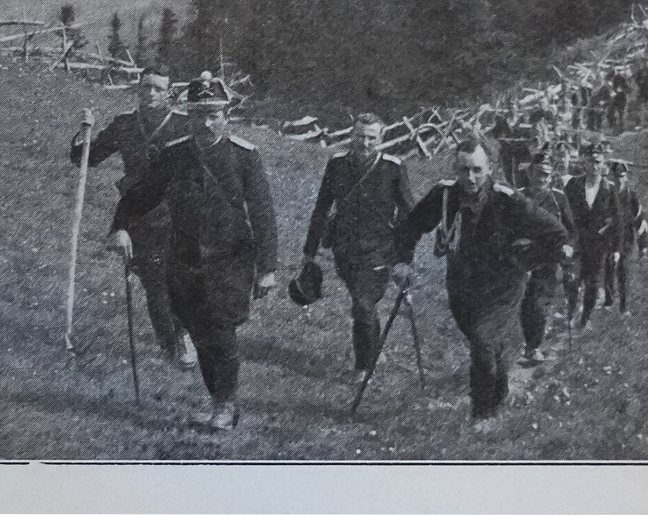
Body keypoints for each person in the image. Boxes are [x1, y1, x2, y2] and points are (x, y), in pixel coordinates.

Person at [111, 73, 279, 431]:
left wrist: (267, 269)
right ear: (188, 115)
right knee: (199, 332)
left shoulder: (244, 156)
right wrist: (120, 226)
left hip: (230, 258)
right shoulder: (175, 155)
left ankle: (225, 405)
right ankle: (218, 401)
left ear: (226, 115)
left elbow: (262, 212)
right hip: (184, 258)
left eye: (213, 114)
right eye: (198, 114)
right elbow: (141, 196)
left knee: (220, 330)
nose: (205, 122)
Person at [392, 140, 568, 427]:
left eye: (477, 170)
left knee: (482, 342)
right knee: (486, 343)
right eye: (464, 170)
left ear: (490, 169)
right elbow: (411, 226)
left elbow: (556, 232)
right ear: (455, 168)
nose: (470, 178)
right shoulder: (445, 194)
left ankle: (482, 413)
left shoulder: (507, 199)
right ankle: (500, 391)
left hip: (503, 287)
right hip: (461, 287)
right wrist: (403, 261)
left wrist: (524, 259)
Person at [68, 72, 195, 367]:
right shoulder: (125, 124)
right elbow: (85, 158)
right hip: (139, 214)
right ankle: (169, 344)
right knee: (154, 284)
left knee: (176, 279)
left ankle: (182, 334)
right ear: (138, 90)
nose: (151, 93)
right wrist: (84, 132)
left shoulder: (182, 124)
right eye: (146, 87)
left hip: (175, 212)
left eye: (158, 88)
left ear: (169, 92)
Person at [302, 112, 416, 376]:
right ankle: (373, 347)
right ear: (351, 136)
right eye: (359, 137)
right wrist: (309, 250)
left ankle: (363, 367)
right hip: (345, 250)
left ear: (381, 139)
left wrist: (404, 256)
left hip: (380, 251)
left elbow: (409, 213)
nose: (364, 143)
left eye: (371, 138)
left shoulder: (393, 167)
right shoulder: (337, 164)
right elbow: (321, 207)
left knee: (363, 304)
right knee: (361, 302)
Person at [518, 160, 577, 364]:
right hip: (522, 259)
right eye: (538, 174)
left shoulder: (558, 198)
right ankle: (526, 344)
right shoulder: (519, 196)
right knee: (524, 305)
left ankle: (533, 347)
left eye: (546, 175)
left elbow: (571, 230)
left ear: (551, 177)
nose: (541, 179)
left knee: (539, 305)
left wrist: (568, 246)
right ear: (530, 174)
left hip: (549, 259)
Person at [564, 144, 622, 327]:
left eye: (597, 162)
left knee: (592, 283)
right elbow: (564, 212)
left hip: (598, 244)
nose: (594, 166)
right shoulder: (573, 184)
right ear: (584, 163)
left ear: (603, 163)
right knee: (572, 279)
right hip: (576, 241)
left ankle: (586, 317)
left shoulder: (609, 188)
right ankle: (572, 310)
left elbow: (617, 220)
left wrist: (616, 249)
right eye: (590, 161)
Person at [609, 159, 648, 315]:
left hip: (626, 240)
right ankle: (609, 299)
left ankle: (624, 306)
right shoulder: (606, 194)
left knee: (623, 272)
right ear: (611, 177)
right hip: (609, 239)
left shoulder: (631, 196)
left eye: (622, 176)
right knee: (607, 271)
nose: (619, 180)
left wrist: (643, 247)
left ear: (626, 177)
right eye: (616, 176)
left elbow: (640, 222)